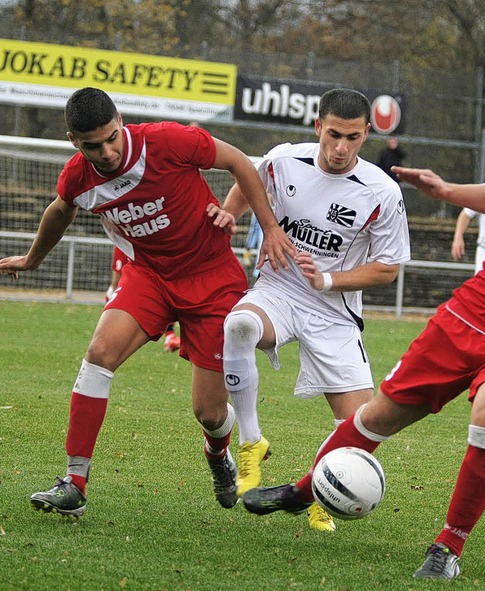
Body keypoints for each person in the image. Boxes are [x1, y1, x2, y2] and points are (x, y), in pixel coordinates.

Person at [240, 82, 485, 578]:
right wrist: (446, 191)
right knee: (377, 418)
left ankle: (447, 549)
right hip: (461, 321)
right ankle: (303, 492)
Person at [0, 87, 294, 517]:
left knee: (209, 412)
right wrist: (31, 259)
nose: (106, 151)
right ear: (73, 141)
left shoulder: (169, 141)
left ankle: (218, 457)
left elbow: (239, 162)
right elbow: (60, 210)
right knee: (99, 354)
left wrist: (268, 227)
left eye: (111, 137)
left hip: (212, 278)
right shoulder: (79, 176)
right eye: (92, 146)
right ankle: (74, 482)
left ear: (121, 120)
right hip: (150, 277)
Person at [217, 88, 411, 532]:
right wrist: (230, 215)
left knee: (358, 428)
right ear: (318, 126)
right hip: (280, 289)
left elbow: (387, 269)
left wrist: (327, 280)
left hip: (334, 310)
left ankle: (320, 492)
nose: (341, 148)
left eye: (354, 139)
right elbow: (249, 180)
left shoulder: (381, 191)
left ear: (366, 135)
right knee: (240, 325)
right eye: (334, 135)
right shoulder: (286, 160)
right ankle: (250, 442)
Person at [107, 246, 180, 352]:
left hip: (147, 247)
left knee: (165, 286)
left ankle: (170, 335)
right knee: (116, 283)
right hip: (126, 242)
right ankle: (110, 326)